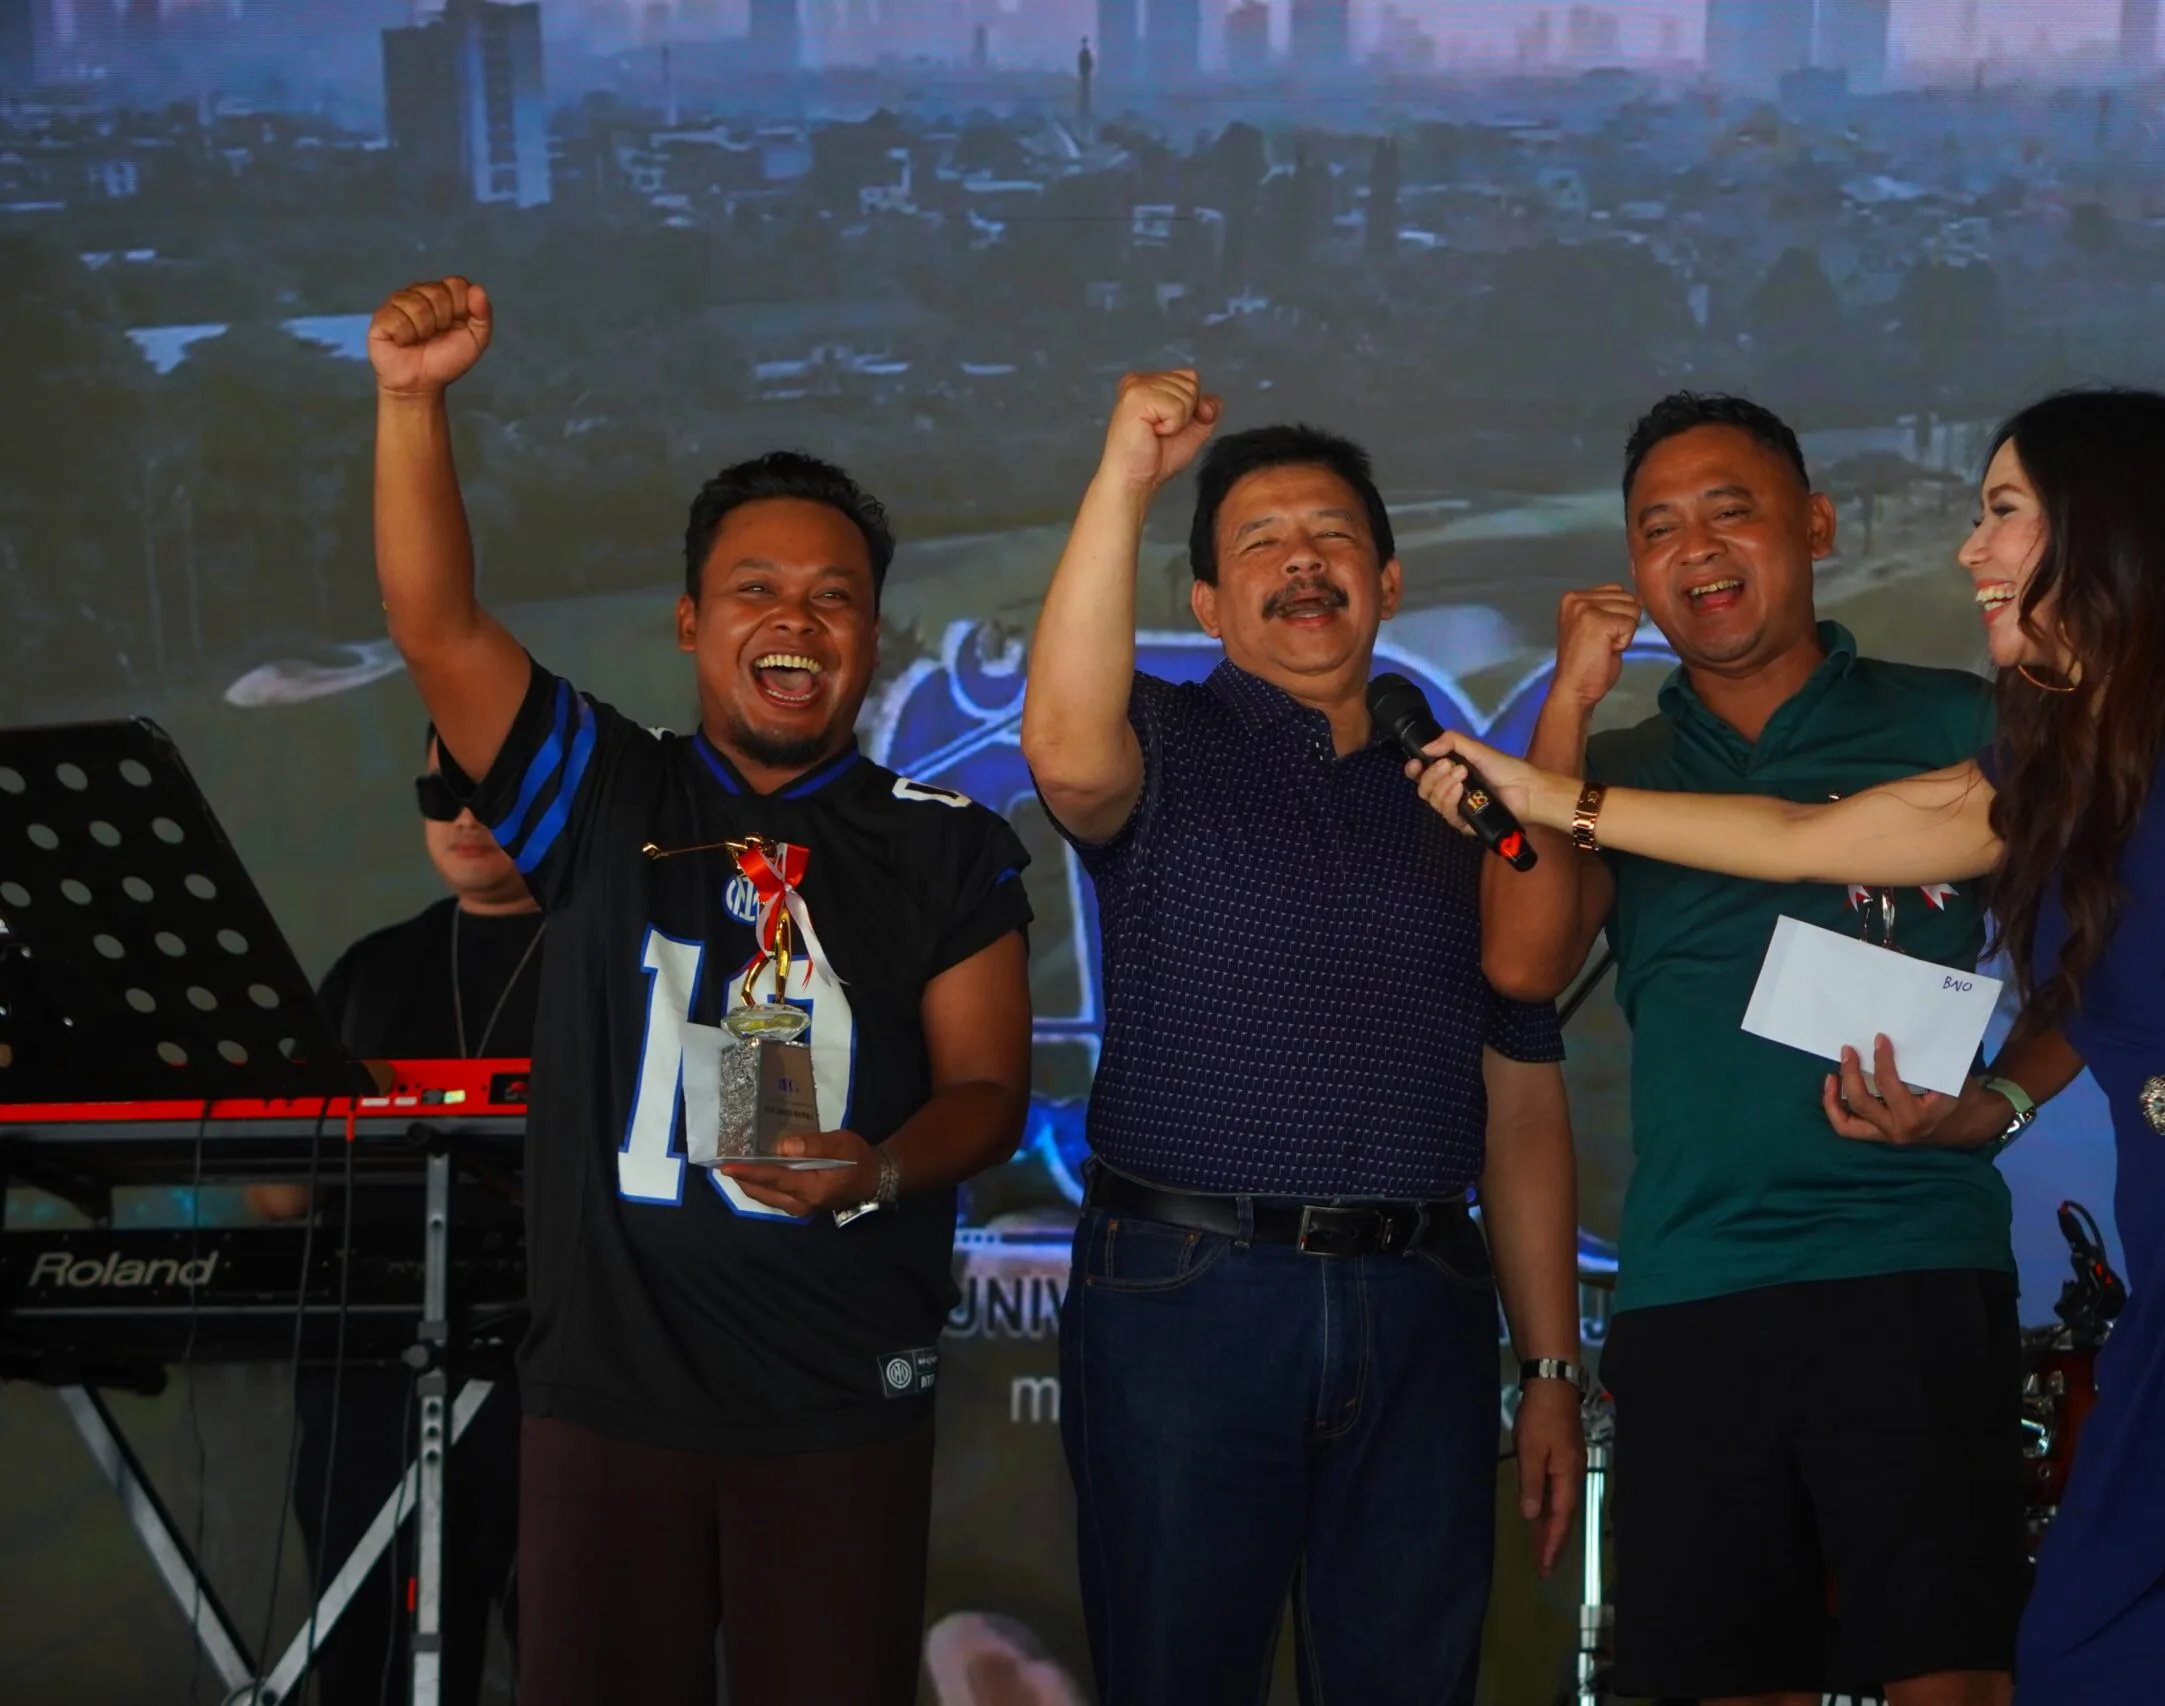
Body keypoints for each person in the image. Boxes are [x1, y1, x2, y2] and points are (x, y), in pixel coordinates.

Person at [1416, 387, 2165, 1703]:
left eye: (2003, 513)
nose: (1970, 549)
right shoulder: (2050, 765)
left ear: (2106, 525)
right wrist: (1542, 787)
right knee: (2080, 1647)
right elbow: (1802, 839)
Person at [366, 274, 1037, 1706]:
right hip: (614, 1402)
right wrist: (413, 402)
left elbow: (988, 1088)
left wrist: (876, 1169)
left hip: (840, 1397)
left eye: (834, 597)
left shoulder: (946, 842)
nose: (796, 621)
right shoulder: (604, 792)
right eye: (757, 589)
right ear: (688, 621)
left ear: (872, 637)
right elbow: (436, 626)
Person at [1467, 391, 2050, 1706]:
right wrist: (1561, 707)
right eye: (1658, 527)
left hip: (1910, 1267)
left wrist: (2000, 1101)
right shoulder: (1621, 763)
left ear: (1817, 525)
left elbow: (2106, 968)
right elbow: (1520, 964)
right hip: (1695, 1289)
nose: (1698, 547)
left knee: (1954, 1677)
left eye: (1732, 509)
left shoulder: (1958, 721)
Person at [1020, 370, 1586, 1706]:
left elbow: (1522, 1081)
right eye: (1258, 545)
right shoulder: (1161, 740)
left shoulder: (1462, 793)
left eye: (1330, 535)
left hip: (1420, 1301)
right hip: (1189, 1293)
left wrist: (1552, 1363)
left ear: (1385, 576)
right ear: (1207, 606)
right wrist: (1125, 475)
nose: (1302, 564)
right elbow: (1060, 743)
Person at [246, 724, 537, 1706]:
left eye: (488, 789)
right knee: (367, 1669)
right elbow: (281, 1196)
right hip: (366, 1381)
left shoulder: (617, 962)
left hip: (560, 1379)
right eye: (438, 789)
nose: (461, 816)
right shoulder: (369, 971)